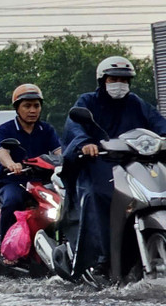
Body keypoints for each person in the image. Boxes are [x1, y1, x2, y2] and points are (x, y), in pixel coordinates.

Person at [63, 56, 166, 275]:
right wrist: (85, 143)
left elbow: (158, 123)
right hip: (99, 163)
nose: (119, 84)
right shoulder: (88, 101)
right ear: (103, 80)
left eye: (124, 79)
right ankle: (102, 256)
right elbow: (75, 126)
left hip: (134, 163)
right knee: (98, 195)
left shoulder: (136, 103)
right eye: (114, 78)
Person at [0, 84, 62, 241]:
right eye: (27, 106)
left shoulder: (47, 129)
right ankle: (7, 246)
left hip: (43, 183)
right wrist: (11, 164)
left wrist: (67, 162)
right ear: (17, 108)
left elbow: (59, 152)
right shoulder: (5, 130)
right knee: (12, 201)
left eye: (36, 106)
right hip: (13, 181)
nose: (33, 110)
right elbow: (3, 152)